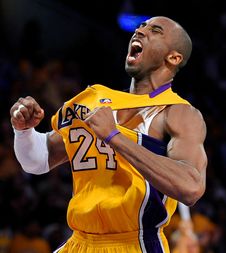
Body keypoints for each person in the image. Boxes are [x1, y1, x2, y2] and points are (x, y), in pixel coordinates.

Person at [10, 16, 207, 253]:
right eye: (140, 27)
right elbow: (38, 161)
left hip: (134, 244)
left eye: (155, 30)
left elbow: (191, 187)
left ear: (173, 58)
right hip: (78, 242)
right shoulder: (92, 99)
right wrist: (24, 131)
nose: (140, 31)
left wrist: (114, 136)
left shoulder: (178, 113)